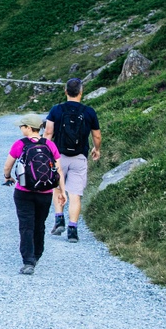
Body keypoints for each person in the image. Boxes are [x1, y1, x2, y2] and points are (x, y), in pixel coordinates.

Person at [3, 115, 66, 274]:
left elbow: (7, 166)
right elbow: (58, 170)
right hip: (45, 193)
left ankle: (28, 261)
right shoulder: (50, 145)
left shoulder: (20, 144)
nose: (21, 128)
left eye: (22, 126)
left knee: (26, 225)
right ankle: (37, 254)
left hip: (23, 192)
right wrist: (62, 191)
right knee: (39, 224)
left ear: (29, 128)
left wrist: (7, 177)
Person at [44, 78, 102, 243]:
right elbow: (96, 135)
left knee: (57, 188)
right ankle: (72, 230)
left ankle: (59, 218)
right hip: (79, 158)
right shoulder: (89, 112)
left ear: (65, 91)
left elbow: (48, 133)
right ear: (81, 92)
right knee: (75, 194)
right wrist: (96, 149)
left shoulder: (56, 110)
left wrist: (45, 151)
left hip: (58, 157)